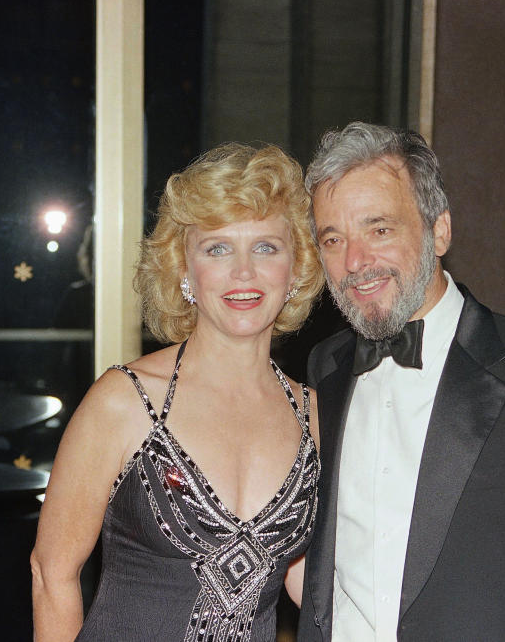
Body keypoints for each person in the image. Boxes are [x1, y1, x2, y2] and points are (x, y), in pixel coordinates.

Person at [297, 122, 505, 641]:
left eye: (379, 229)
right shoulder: (327, 367)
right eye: (333, 238)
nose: (355, 262)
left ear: (439, 231)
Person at [31, 143, 324, 642]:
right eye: (217, 249)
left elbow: (308, 584)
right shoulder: (125, 400)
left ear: (295, 269)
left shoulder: (313, 413)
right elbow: (51, 575)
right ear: (184, 270)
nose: (244, 272)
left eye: (266, 247)